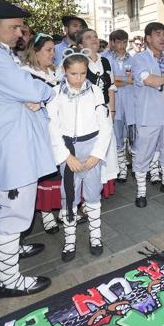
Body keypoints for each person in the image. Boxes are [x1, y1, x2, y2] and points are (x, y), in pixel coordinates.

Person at [0, 0, 55, 297]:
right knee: (12, 210)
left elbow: (23, 87)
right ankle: (9, 280)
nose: (20, 33)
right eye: (15, 26)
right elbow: (30, 88)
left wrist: (30, 93)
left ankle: (14, 246)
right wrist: (42, 92)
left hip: (15, 140)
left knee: (14, 206)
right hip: (8, 144)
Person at [48, 49, 114, 261]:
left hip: (91, 148)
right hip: (69, 152)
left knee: (93, 195)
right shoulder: (55, 93)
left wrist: (96, 154)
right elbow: (52, 127)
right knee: (69, 196)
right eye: (73, 74)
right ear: (64, 72)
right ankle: (70, 240)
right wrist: (67, 157)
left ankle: (95, 236)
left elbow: (105, 125)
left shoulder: (95, 91)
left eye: (82, 73)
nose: (78, 78)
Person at [131, 22, 164, 207]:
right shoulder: (140, 59)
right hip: (149, 111)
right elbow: (147, 80)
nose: (162, 38)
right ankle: (141, 191)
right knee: (144, 150)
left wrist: (160, 83)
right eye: (157, 34)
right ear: (148, 38)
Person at [20, 33, 63, 234]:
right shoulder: (25, 74)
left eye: (54, 50)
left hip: (61, 128)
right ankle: (46, 215)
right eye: (48, 50)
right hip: (40, 130)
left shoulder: (56, 72)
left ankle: (64, 208)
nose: (53, 54)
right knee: (47, 173)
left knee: (63, 170)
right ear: (34, 51)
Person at [78, 28, 118, 199]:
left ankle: (103, 188)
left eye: (95, 36)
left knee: (107, 148)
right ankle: (88, 192)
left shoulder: (106, 62)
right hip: (86, 114)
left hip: (105, 111)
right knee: (91, 150)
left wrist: (112, 111)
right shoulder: (78, 62)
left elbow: (111, 88)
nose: (94, 39)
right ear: (80, 45)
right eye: (88, 37)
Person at [104, 29, 136, 182]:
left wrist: (117, 80)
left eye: (124, 42)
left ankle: (137, 168)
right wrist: (125, 81)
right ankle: (122, 169)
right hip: (114, 102)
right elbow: (108, 80)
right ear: (112, 43)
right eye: (119, 42)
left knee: (134, 136)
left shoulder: (134, 59)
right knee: (117, 137)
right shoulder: (105, 59)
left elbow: (136, 79)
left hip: (131, 103)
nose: (122, 45)